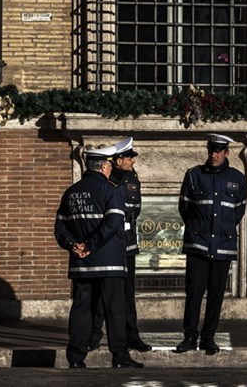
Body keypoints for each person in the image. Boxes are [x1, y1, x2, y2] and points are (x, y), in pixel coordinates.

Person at [55, 144, 144, 369]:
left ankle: (75, 357)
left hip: (81, 263)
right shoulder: (111, 190)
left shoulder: (71, 192)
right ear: (104, 166)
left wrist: (75, 245)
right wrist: (91, 245)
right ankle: (120, 356)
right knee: (115, 307)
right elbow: (113, 223)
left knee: (81, 307)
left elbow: (60, 228)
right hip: (109, 261)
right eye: (108, 164)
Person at [175, 134, 247, 355]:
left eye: (218, 151)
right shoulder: (193, 175)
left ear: (227, 152)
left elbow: (238, 212)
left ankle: (208, 338)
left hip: (222, 246)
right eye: (211, 150)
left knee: (216, 295)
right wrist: (199, 230)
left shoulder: (238, 178)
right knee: (194, 293)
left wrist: (221, 231)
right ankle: (189, 336)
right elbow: (185, 208)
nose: (213, 154)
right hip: (198, 245)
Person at [90, 137, 152, 352]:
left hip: (127, 244)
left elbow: (135, 210)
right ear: (117, 160)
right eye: (129, 157)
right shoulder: (104, 181)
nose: (132, 161)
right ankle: (94, 335)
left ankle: (131, 336)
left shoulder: (133, 178)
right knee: (100, 292)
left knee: (127, 294)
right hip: (107, 245)